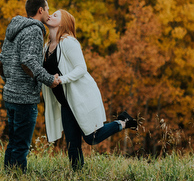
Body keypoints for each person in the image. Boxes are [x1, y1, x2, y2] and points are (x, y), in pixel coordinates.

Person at [42, 9, 137, 170]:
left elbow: (81, 68)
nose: (50, 15)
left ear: (63, 23)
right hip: (65, 102)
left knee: (92, 138)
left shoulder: (68, 42)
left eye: (56, 15)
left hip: (81, 97)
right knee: (72, 143)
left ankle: (124, 122)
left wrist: (60, 80)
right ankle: (77, 177)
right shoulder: (46, 47)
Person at [0, 0, 62, 172]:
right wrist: (50, 80)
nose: (48, 13)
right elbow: (28, 62)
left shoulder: (14, 28)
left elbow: (0, 62)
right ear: (41, 10)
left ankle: (7, 179)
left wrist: (9, 81)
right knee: (21, 146)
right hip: (24, 98)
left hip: (10, 95)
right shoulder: (34, 30)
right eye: (47, 9)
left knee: (14, 142)